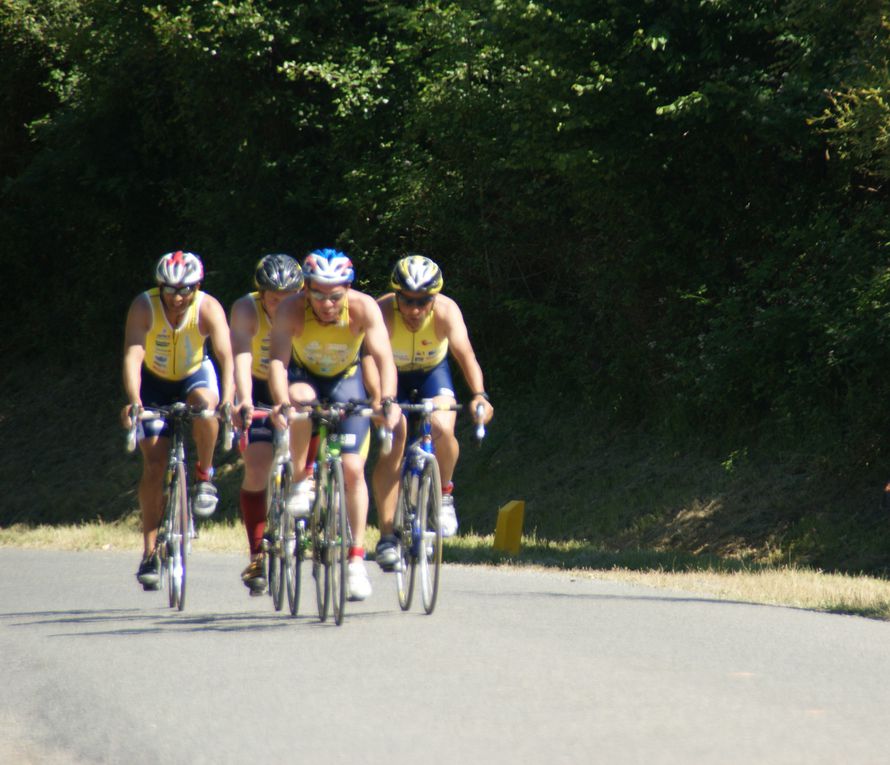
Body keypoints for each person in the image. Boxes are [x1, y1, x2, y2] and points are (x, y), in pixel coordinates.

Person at [268, 248, 401, 601]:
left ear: (348, 290)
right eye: (318, 294)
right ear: (306, 289)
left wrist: (387, 400)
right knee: (300, 400)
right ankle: (299, 480)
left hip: (347, 378)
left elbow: (384, 359)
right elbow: (278, 363)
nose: (327, 303)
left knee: (353, 469)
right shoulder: (289, 309)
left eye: (335, 295)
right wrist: (281, 401)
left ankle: (356, 559)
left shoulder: (363, 308)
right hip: (304, 376)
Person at [371, 255, 493, 570]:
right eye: (406, 300)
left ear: (434, 298)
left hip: (431, 375)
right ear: (396, 295)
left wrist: (479, 395)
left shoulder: (447, 312)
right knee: (395, 441)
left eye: (423, 301)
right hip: (392, 378)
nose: (414, 309)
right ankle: (387, 535)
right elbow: (368, 359)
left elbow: (466, 355)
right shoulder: (382, 311)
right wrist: (380, 399)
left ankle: (445, 495)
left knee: (442, 430)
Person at [121, 250, 235, 590]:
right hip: (154, 382)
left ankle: (205, 476)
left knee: (206, 405)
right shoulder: (144, 306)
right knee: (154, 466)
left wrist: (228, 399)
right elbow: (132, 355)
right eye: (170, 289)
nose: (178, 297)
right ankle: (150, 552)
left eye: (186, 289)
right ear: (160, 287)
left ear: (197, 286)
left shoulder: (208, 307)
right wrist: (135, 400)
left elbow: (226, 356)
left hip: (193, 376)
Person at [230, 254, 304, 594]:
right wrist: (243, 399)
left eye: (290, 295)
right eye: (275, 298)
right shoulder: (246, 309)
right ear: (261, 295)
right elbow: (241, 357)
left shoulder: (309, 306)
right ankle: (258, 552)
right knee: (257, 467)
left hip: (298, 382)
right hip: (259, 387)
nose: (282, 303)